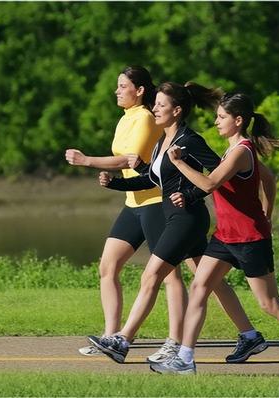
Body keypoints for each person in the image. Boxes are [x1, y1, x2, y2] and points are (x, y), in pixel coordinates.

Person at [149, 92, 279, 377]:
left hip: (250, 238)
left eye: (222, 117)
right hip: (225, 236)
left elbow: (210, 182)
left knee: (270, 304)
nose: (216, 122)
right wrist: (268, 210)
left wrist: (178, 163)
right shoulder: (232, 150)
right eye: (217, 116)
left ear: (238, 121)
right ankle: (185, 359)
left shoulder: (241, 151)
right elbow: (268, 179)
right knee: (200, 288)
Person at [88, 82, 269, 364]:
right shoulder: (164, 140)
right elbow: (154, 179)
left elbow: (216, 176)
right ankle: (249, 335)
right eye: (155, 104)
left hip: (187, 219)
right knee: (211, 281)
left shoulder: (190, 141)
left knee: (151, 275)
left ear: (177, 110)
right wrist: (114, 183)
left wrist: (191, 194)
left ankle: (123, 340)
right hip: (176, 216)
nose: (155, 108)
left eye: (160, 105)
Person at [65, 66, 188, 361]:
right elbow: (127, 160)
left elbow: (131, 158)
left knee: (169, 275)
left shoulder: (146, 117)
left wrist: (87, 160)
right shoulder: (126, 119)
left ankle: (175, 341)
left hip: (155, 203)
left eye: (123, 86)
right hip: (133, 203)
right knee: (108, 267)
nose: (117, 91)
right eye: (117, 86)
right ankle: (110, 336)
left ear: (140, 90)